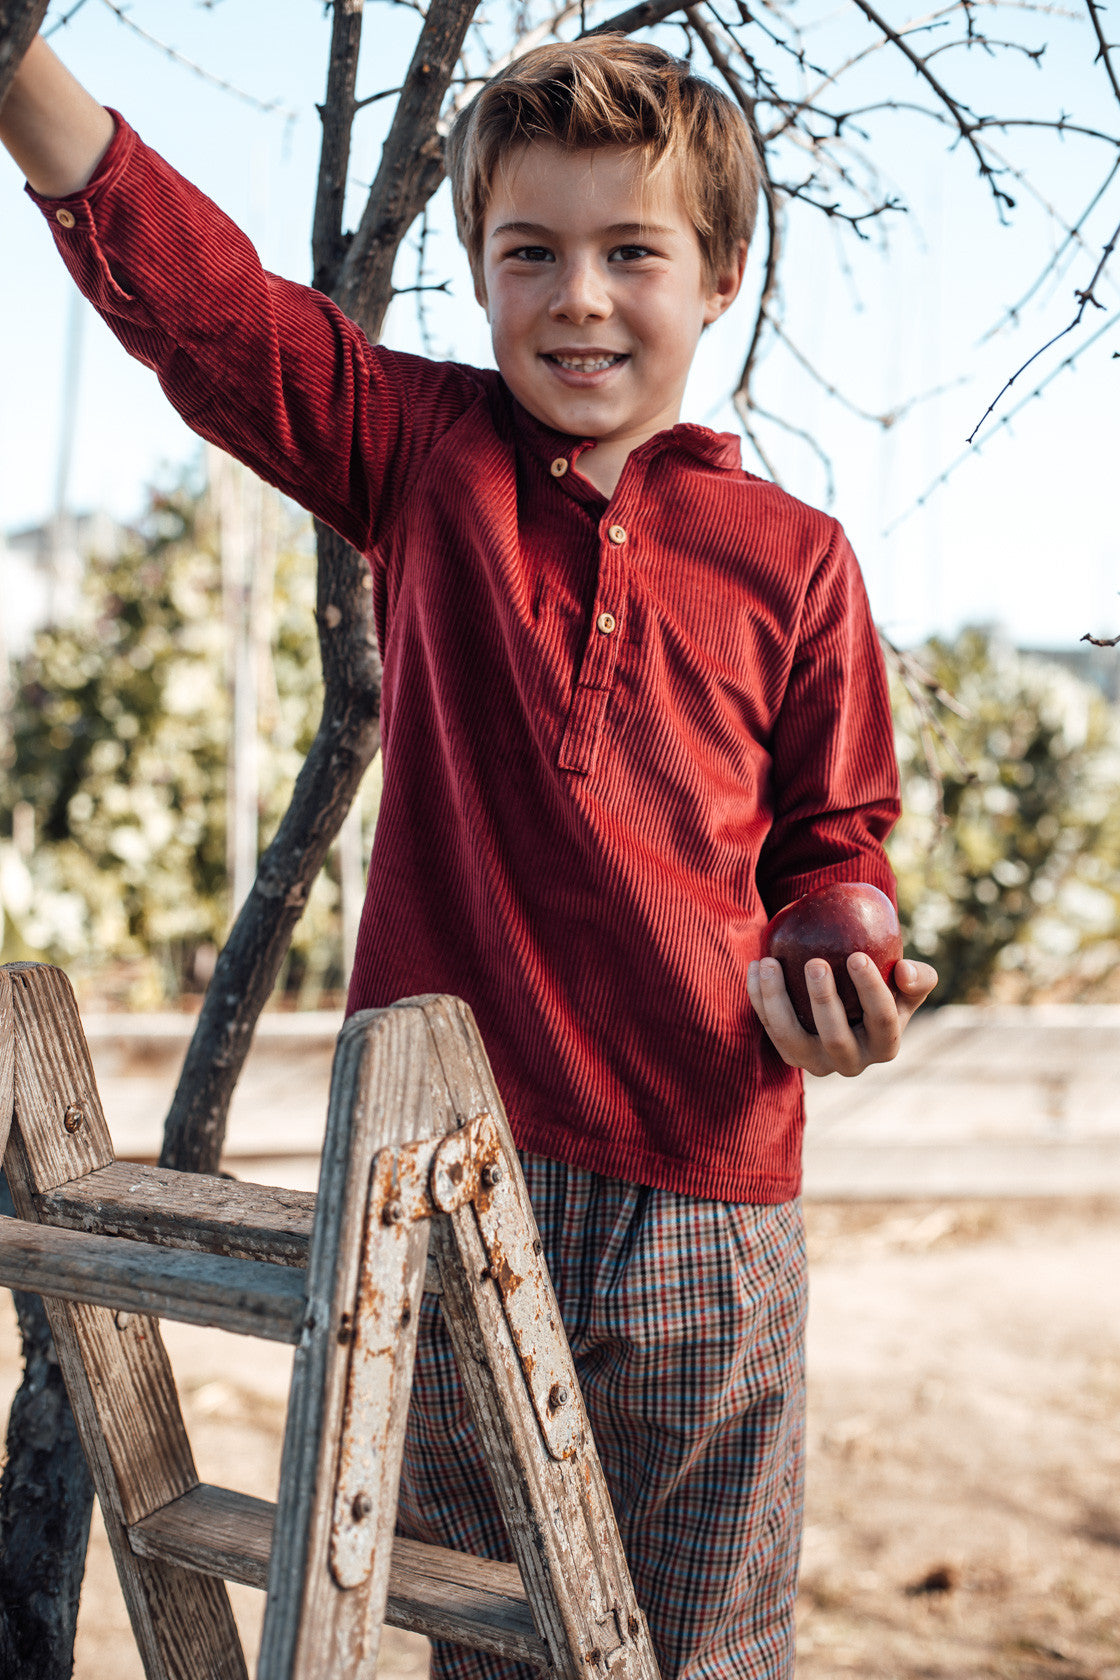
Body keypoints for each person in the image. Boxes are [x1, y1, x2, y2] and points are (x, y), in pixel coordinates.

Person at [1, 32, 937, 1680]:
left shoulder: (798, 561)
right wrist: (22, 75)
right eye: (533, 256)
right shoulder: (429, 462)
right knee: (484, 1640)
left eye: (631, 251)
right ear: (480, 276)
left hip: (710, 1200)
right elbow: (219, 320)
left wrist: (844, 963)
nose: (580, 297)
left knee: (706, 1649)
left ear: (718, 276)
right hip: (441, 1183)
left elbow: (833, 843)